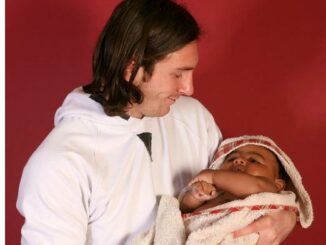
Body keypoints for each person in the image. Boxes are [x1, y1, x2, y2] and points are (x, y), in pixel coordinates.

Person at [16, 0, 297, 244]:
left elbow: (250, 194)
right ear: (132, 67)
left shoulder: (193, 117)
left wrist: (286, 215)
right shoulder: (58, 166)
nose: (189, 89)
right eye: (178, 74)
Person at [179, 142, 289, 213]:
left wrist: (213, 176)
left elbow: (258, 186)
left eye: (253, 160)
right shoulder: (216, 191)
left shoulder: (269, 189)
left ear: (278, 185)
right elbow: (185, 210)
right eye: (231, 159)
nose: (238, 160)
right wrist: (196, 196)